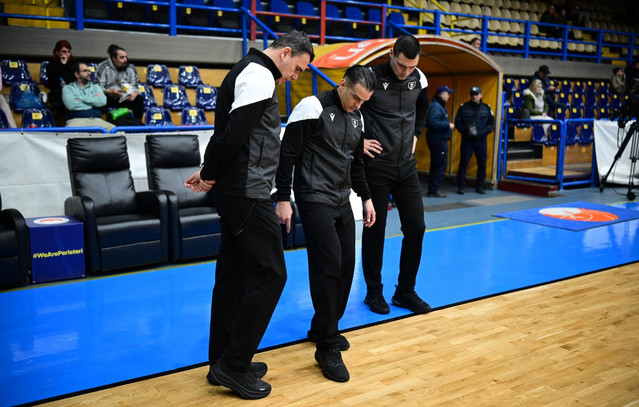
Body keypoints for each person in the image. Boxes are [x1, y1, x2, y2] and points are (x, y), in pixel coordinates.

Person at [184, 30, 314, 400]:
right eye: (297, 68)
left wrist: (209, 170)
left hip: (238, 187)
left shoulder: (249, 70)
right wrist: (210, 173)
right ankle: (234, 364)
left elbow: (226, 132)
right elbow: (234, 134)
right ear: (286, 52)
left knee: (233, 274)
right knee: (272, 273)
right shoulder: (259, 75)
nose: (295, 76)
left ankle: (221, 360)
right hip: (246, 191)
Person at [274, 65, 376, 383]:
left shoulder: (358, 117)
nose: (358, 105)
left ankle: (322, 327)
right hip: (314, 197)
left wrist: (367, 197)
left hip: (342, 199)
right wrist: (282, 197)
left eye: (364, 101)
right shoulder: (312, 107)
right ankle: (327, 346)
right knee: (328, 267)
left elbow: (355, 163)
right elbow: (287, 154)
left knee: (346, 267)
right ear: (343, 84)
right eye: (355, 97)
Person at [359, 34, 432, 315]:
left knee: (416, 227)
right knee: (374, 230)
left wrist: (416, 134)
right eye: (402, 65)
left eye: (411, 67)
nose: (406, 72)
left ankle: (405, 291)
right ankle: (373, 292)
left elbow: (423, 107)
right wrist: (359, 141)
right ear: (392, 53)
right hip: (376, 167)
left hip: (406, 167)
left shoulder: (419, 78)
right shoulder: (370, 77)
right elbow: (347, 108)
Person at [454, 86, 495, 195]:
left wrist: (484, 131)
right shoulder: (464, 107)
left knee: (482, 163)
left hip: (481, 140)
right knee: (463, 163)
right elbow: (458, 121)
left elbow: (492, 123)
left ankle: (480, 185)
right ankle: (461, 186)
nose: (474, 96)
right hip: (467, 140)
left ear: (481, 95)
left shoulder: (486, 108)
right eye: (472, 94)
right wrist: (464, 131)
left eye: (476, 94)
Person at [94, 44, 145, 120]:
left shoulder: (130, 67)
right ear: (114, 58)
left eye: (126, 57)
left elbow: (136, 86)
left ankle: (137, 124)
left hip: (125, 97)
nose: (125, 60)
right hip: (108, 96)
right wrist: (110, 91)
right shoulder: (103, 66)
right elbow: (97, 87)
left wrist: (134, 94)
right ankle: (98, 121)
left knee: (139, 100)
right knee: (97, 98)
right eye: (122, 57)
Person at [62, 62, 115, 131]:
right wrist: (94, 104)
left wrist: (81, 99)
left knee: (119, 132)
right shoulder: (68, 88)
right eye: (85, 71)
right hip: (76, 121)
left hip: (97, 121)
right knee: (67, 134)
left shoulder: (96, 87)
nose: (89, 73)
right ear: (77, 74)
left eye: (89, 71)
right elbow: (71, 105)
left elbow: (102, 102)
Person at [426, 85, 454, 198]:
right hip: (438, 140)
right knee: (439, 165)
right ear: (441, 94)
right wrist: (447, 125)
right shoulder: (436, 107)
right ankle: (433, 190)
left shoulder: (438, 105)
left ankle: (432, 189)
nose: (448, 96)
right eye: (447, 94)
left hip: (437, 139)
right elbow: (432, 122)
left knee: (436, 164)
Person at [46, 40, 77, 125]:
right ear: (57, 52)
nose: (67, 54)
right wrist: (62, 66)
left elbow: (72, 80)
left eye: (68, 52)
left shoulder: (74, 64)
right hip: (57, 94)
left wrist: (65, 66)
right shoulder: (51, 65)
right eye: (64, 51)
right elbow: (53, 83)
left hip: (73, 92)